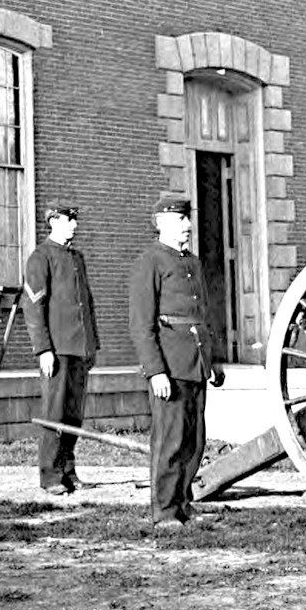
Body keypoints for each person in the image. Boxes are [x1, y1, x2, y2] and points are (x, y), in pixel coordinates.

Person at [128, 192, 225, 530]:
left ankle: (183, 503)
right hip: (169, 366)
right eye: (180, 220)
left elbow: (203, 316)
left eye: (187, 219)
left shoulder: (192, 263)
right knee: (169, 440)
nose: (187, 226)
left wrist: (213, 362)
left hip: (195, 363)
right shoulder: (150, 262)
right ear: (161, 224)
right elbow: (142, 325)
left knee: (193, 440)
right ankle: (165, 512)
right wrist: (155, 371)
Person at [22, 202, 100, 496]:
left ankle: (68, 470)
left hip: (79, 349)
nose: (74, 225)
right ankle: (50, 475)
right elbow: (33, 307)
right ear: (53, 221)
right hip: (56, 350)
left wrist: (92, 346)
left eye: (75, 220)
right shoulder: (41, 258)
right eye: (68, 219)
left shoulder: (77, 258)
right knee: (54, 412)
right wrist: (43, 349)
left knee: (73, 414)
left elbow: (86, 305)